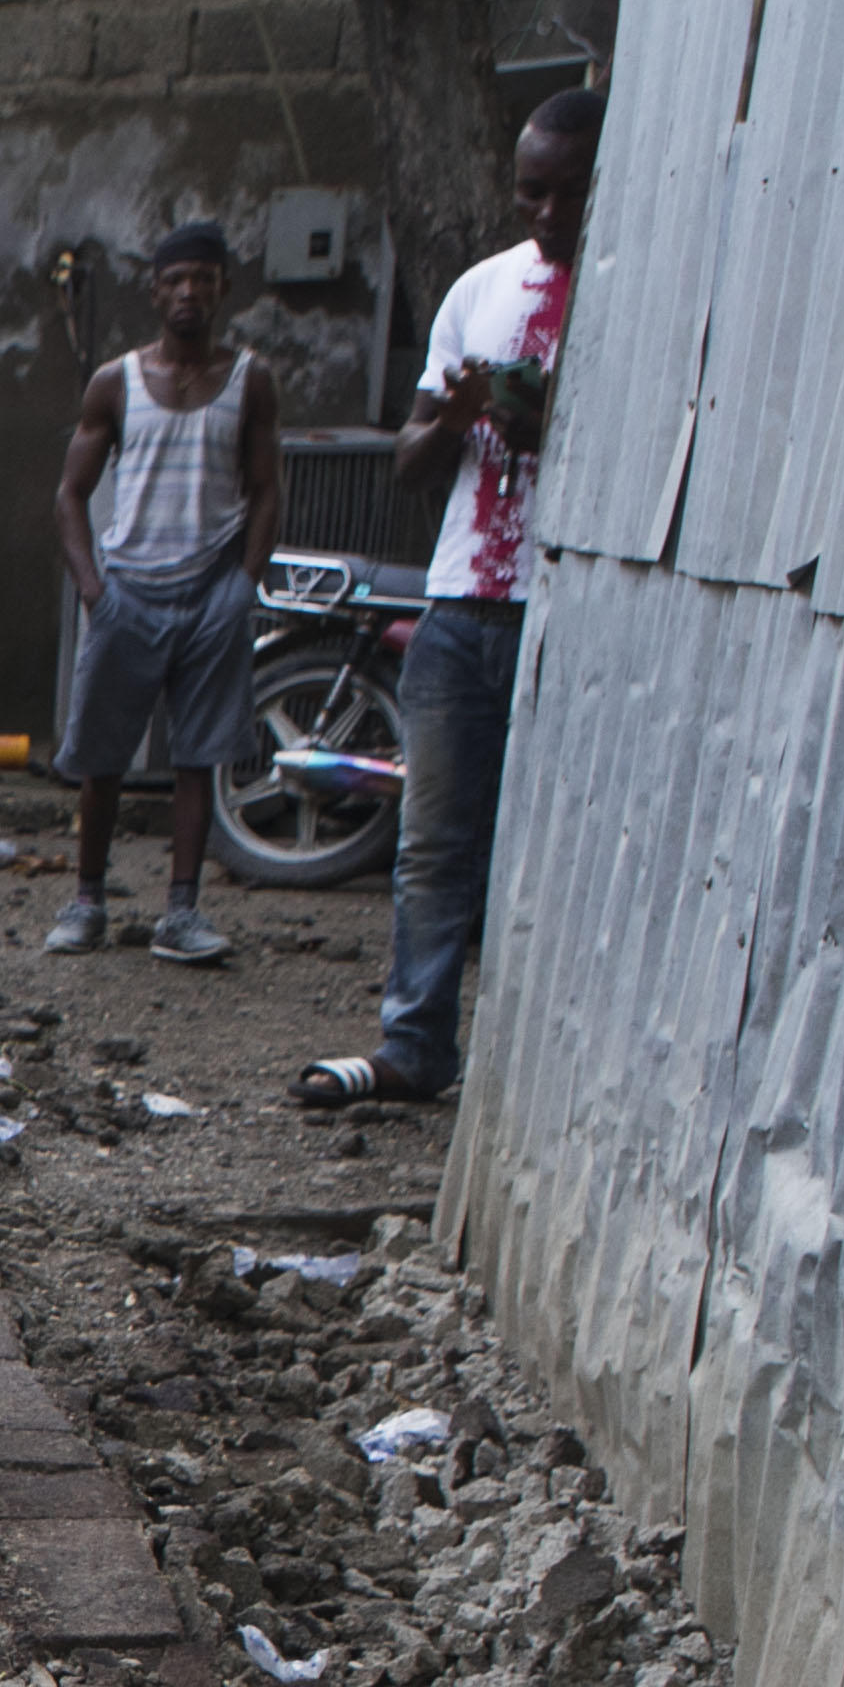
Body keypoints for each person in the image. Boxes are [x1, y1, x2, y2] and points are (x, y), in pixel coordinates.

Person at [301, 86, 599, 1108]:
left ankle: (540, 1073)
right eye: (532, 193)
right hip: (463, 600)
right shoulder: (483, 291)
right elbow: (412, 462)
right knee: (432, 841)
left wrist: (537, 422)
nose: (549, 214)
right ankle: (416, 1042)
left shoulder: (628, 293)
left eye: (570, 192)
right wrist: (462, 413)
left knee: (547, 851)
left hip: (569, 603)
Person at [45, 220, 280, 965]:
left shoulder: (250, 380)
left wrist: (243, 584)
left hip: (212, 591)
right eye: (176, 280)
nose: (189, 293)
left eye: (203, 280)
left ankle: (181, 912)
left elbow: (269, 490)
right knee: (102, 756)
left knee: (198, 756)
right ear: (155, 291)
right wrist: (93, 588)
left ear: (222, 290)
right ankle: (88, 901)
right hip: (129, 592)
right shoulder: (116, 382)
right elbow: (70, 494)